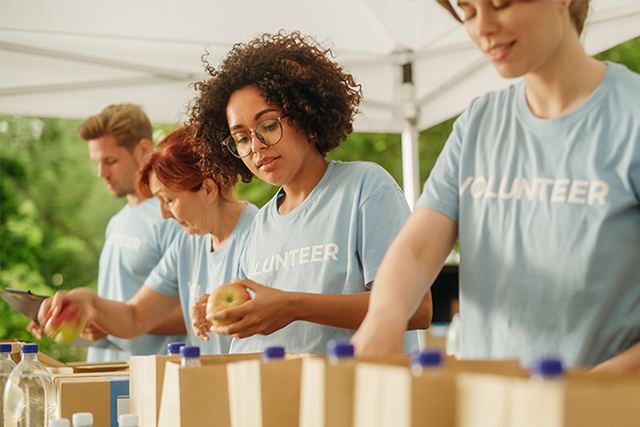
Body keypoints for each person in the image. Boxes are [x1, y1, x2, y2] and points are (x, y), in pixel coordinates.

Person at [352, 0, 640, 370]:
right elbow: (417, 248)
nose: (482, 28)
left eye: (500, 3)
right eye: (468, 11)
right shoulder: (477, 124)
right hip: (489, 404)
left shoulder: (630, 116)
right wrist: (384, 318)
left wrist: (583, 394)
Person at [189, 31, 432, 355]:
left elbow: (416, 308)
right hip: (282, 401)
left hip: (357, 398)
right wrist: (222, 311)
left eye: (268, 125)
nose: (256, 145)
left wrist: (294, 307)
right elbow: (264, 320)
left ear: (307, 117)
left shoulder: (366, 188)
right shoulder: (258, 228)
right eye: (242, 138)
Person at [39, 127, 257, 355]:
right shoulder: (187, 244)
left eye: (169, 200)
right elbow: (136, 317)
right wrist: (88, 302)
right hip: (205, 383)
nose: (163, 214)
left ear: (208, 189)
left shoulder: (257, 235)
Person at [31, 104, 187, 362]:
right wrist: (69, 316)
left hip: (148, 377)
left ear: (144, 150)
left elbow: (192, 312)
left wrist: (109, 321)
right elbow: (113, 302)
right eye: (97, 163)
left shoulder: (175, 217)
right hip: (103, 376)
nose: (101, 173)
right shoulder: (116, 221)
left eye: (110, 161)